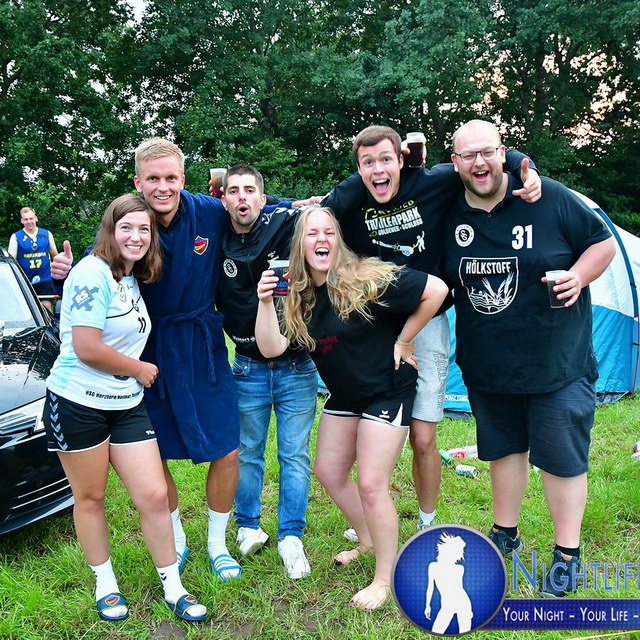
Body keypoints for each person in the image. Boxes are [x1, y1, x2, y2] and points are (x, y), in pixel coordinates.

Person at [51, 139, 301, 581]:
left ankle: (217, 543)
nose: (162, 187)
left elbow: (252, 204)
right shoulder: (132, 223)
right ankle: (177, 537)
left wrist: (304, 205)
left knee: (228, 448)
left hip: (202, 346)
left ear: (183, 179)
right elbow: (99, 268)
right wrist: (66, 275)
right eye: (153, 178)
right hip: (148, 351)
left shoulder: (208, 210)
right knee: (156, 454)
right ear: (138, 182)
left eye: (170, 177)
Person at [322, 126, 542, 534]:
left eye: (385, 159)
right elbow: (311, 218)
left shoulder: (434, 182)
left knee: (422, 438)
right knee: (367, 434)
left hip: (427, 322)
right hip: (373, 327)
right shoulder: (351, 196)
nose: (378, 170)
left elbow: (485, 160)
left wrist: (525, 166)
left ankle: (426, 525)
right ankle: (373, 520)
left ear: (401, 159)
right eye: (368, 163)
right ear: (358, 169)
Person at [440, 119, 615, 596]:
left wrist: (579, 276)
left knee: (561, 460)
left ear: (504, 152)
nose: (480, 163)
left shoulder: (546, 195)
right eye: (468, 155)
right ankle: (505, 534)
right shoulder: (446, 206)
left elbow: (601, 243)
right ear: (454, 162)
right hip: (488, 365)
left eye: (488, 152)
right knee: (503, 450)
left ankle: (567, 554)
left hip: (558, 363)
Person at [255, 206, 449, 609]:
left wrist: (405, 339)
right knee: (328, 470)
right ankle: (367, 538)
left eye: (328, 232)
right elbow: (271, 348)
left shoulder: (365, 276)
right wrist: (264, 302)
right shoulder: (297, 294)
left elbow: (436, 289)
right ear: (300, 245)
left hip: (386, 390)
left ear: (338, 241)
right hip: (346, 395)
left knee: (371, 484)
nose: (321, 240)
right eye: (312, 234)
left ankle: (385, 578)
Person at [44, 194, 206, 622]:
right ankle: (106, 583)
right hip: (77, 403)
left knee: (154, 495)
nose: (136, 237)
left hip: (126, 404)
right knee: (91, 496)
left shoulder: (131, 276)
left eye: (144, 229)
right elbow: (86, 347)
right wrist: (139, 369)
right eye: (126, 228)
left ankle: (173, 585)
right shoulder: (91, 273)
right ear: (110, 231)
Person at [218, 165, 318, 579]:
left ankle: (291, 535)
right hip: (247, 366)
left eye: (250, 190)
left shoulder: (285, 222)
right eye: (233, 191)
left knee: (294, 454)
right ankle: (248, 526)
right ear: (223, 198)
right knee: (248, 452)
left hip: (297, 365)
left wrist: (297, 203)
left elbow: (325, 211)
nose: (241, 197)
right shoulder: (213, 229)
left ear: (263, 198)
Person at [8, 207, 59, 310]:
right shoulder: (16, 237)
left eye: (31, 218)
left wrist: (58, 275)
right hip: (25, 280)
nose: (29, 222)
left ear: (36, 218)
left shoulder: (46, 234)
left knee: (46, 306)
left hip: (45, 278)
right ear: (22, 220)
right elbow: (11, 261)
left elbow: (55, 255)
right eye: (26, 219)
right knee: (27, 309)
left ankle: (48, 320)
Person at [424, 533, 472, 634]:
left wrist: (468, 610)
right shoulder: (433, 566)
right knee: (436, 631)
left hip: (462, 603)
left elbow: (459, 588)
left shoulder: (459, 569)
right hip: (447, 605)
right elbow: (430, 587)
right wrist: (427, 605)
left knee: (465, 633)